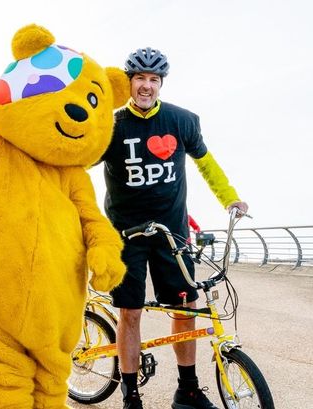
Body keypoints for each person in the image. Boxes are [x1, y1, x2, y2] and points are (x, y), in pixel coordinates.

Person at [98, 47, 248, 409]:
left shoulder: (182, 121)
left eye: (153, 79)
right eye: (140, 79)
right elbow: (72, 164)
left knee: (185, 309)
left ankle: (188, 391)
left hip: (173, 235)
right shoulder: (110, 126)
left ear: (161, 83)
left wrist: (230, 198)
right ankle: (131, 395)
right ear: (129, 82)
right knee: (130, 313)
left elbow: (206, 163)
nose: (146, 86)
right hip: (125, 235)